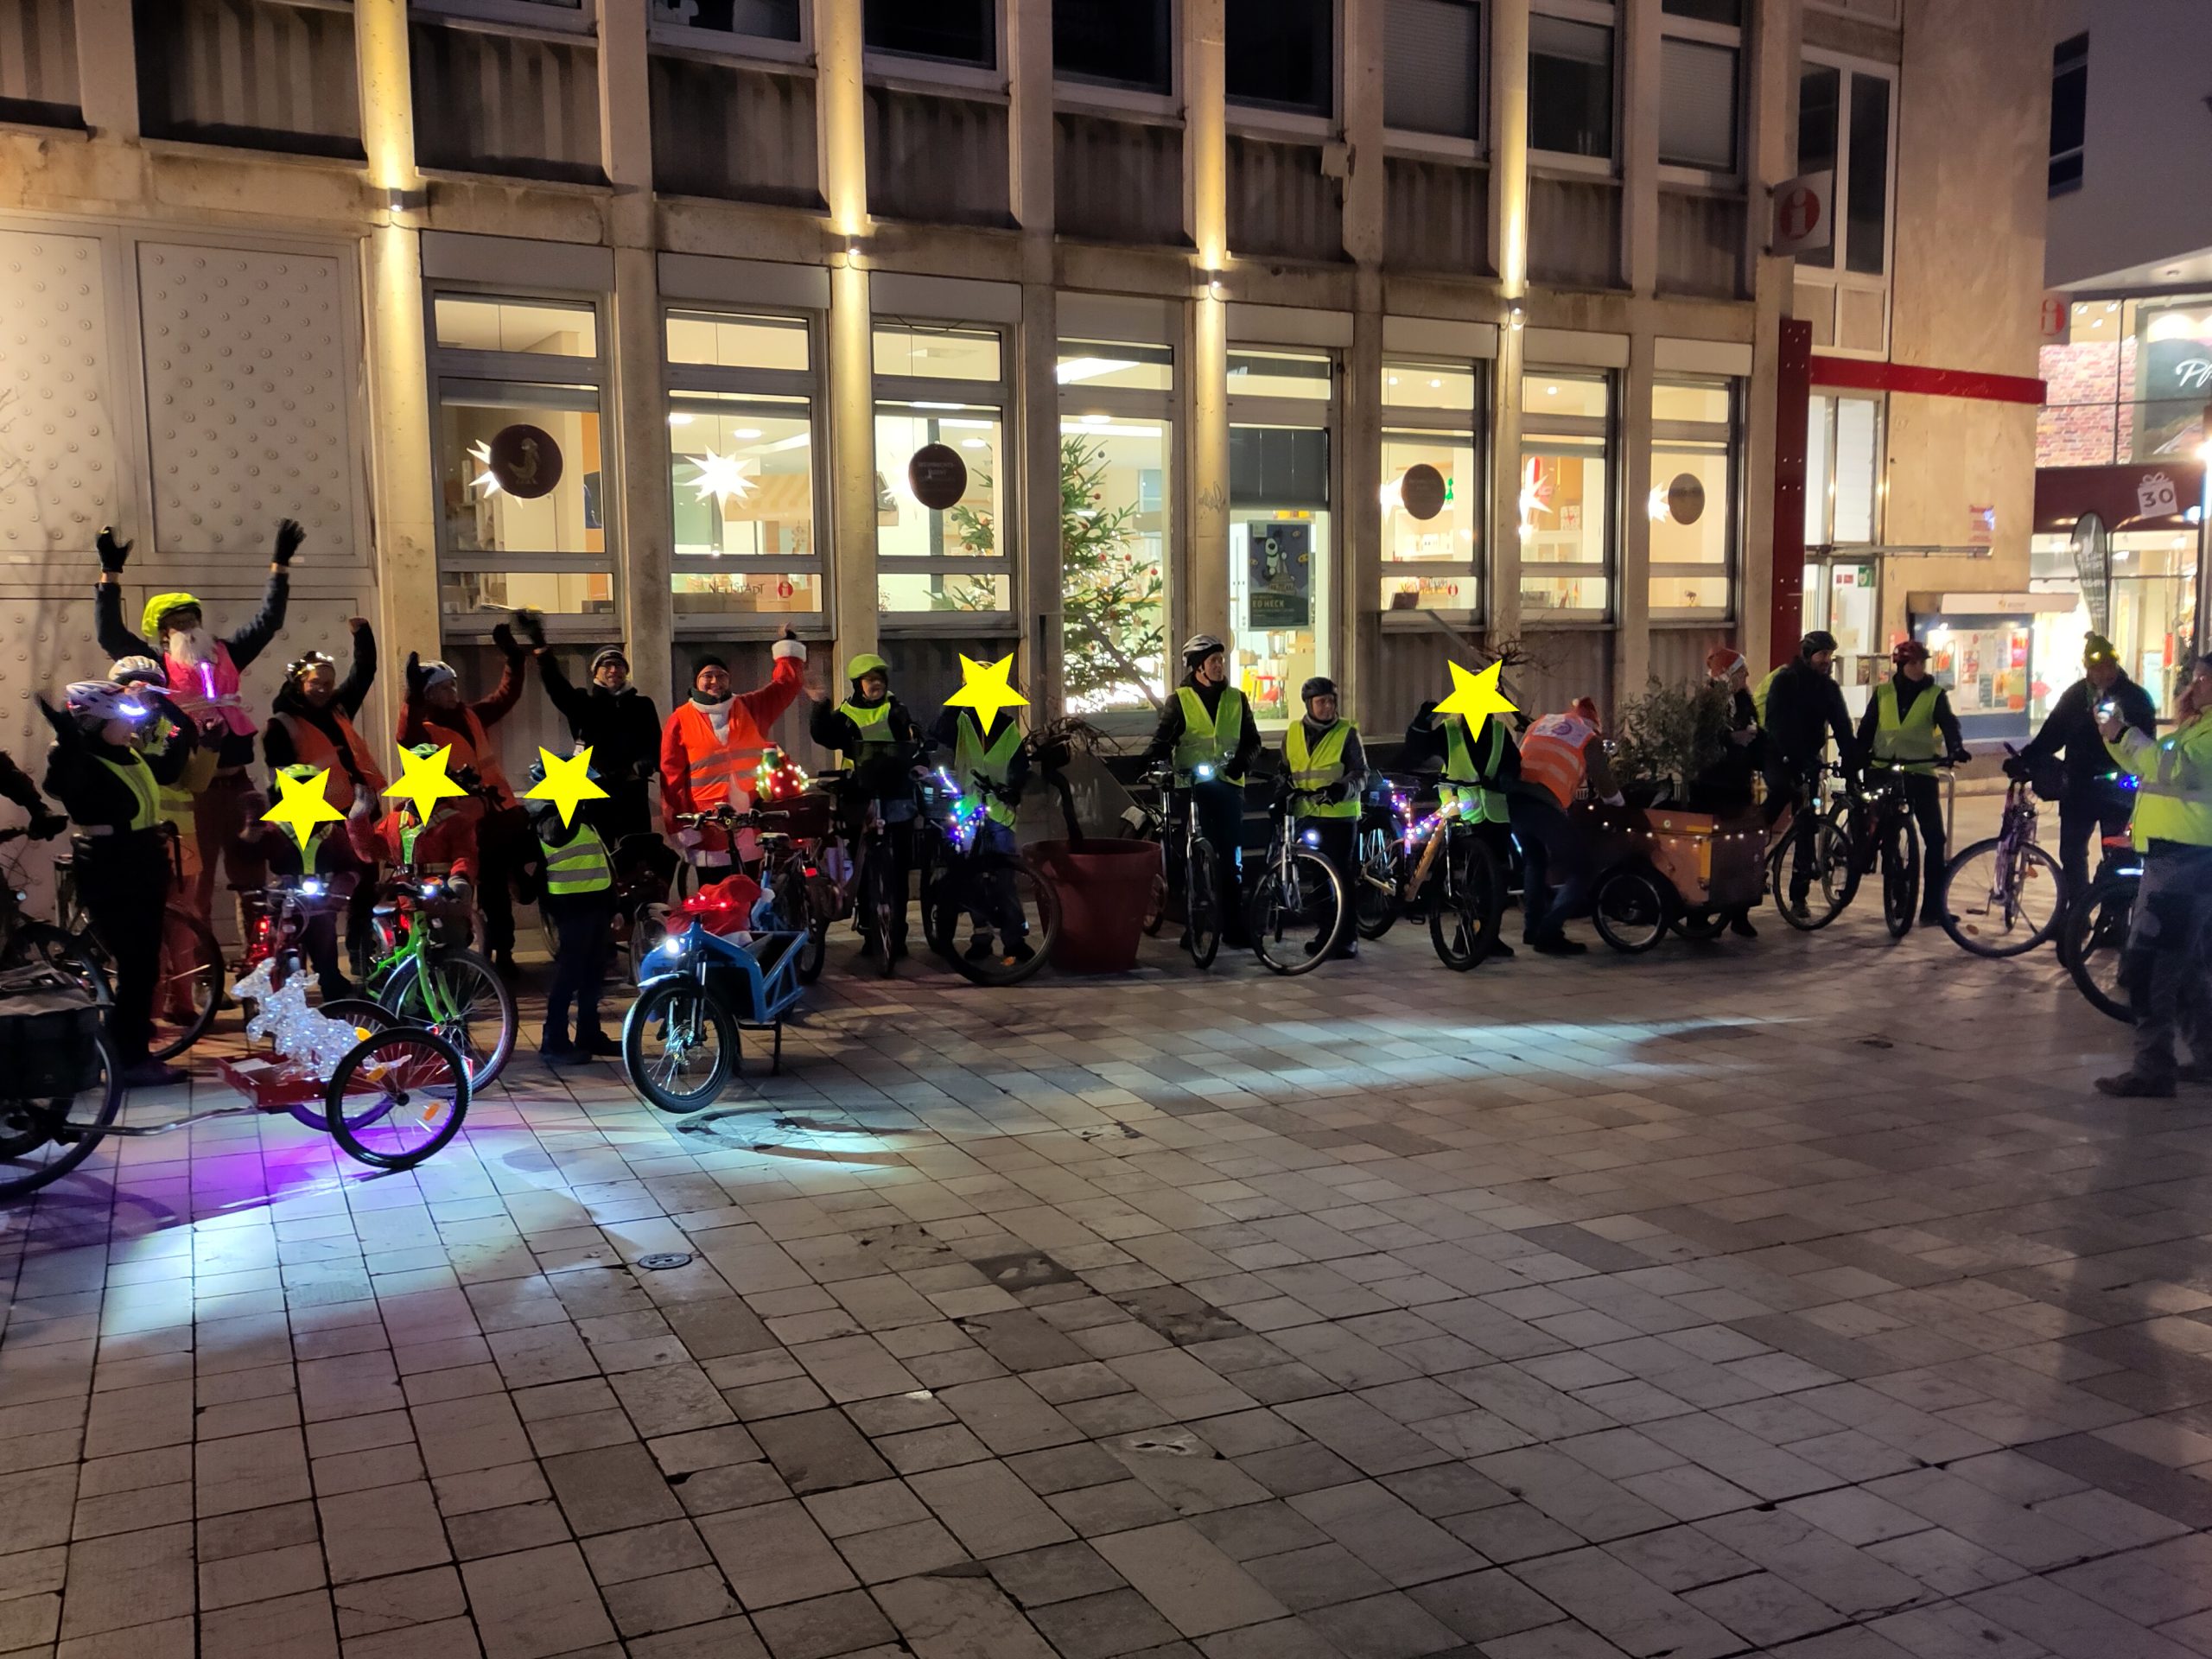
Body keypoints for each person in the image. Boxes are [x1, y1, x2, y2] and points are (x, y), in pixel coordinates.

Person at [95, 518, 302, 937]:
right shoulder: (156, 667)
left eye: (191, 618)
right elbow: (110, 634)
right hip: (195, 795)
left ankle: (258, 970)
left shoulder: (227, 653)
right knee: (197, 889)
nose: (187, 626)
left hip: (239, 787)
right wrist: (109, 576)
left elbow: (268, 622)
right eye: (176, 621)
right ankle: (203, 975)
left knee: (253, 886)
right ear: (162, 632)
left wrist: (280, 565)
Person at [40, 680, 198, 1087]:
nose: (130, 728)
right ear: (95, 723)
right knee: (136, 965)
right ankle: (127, 1059)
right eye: (120, 719)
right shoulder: (77, 757)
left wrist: (187, 729)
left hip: (144, 860)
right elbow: (61, 783)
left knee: (143, 964)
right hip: (112, 867)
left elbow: (167, 767)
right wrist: (69, 737)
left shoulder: (125, 753)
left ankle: (130, 1045)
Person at [2093, 654, 2212, 1098]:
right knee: (2189, 967)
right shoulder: (2197, 727)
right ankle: (2206, 1057)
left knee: (2149, 967)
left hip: (2185, 862)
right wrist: (2114, 735)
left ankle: (2152, 1069)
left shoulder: (2208, 733)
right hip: (2177, 859)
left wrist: (2125, 733)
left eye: (2203, 678)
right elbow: (2150, 767)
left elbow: (2174, 770)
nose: (2194, 684)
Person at [399, 629, 531, 976]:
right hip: (462, 823)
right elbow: (405, 735)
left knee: (499, 893)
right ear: (428, 694)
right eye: (443, 687)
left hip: (499, 815)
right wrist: (410, 697)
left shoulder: (469, 714)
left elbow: (504, 697)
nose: (451, 692)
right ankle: (461, 959)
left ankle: (503, 954)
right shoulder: (424, 729)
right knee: (464, 893)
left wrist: (514, 660)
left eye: (452, 685)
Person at [265, 620, 383, 973]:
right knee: (319, 902)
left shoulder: (339, 708)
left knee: (364, 891)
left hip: (356, 814)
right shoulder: (281, 725)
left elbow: (364, 672)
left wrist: (363, 636)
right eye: (316, 683)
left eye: (329, 684)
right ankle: (322, 971)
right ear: (299, 684)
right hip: (315, 824)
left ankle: (363, 961)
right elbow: (280, 782)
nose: (323, 689)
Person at [1141, 634, 1262, 947]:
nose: (1220, 665)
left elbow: (1252, 740)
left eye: (1221, 660)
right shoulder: (1179, 700)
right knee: (1193, 855)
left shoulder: (1237, 698)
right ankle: (1193, 925)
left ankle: (1234, 927)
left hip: (1229, 785)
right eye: (1213, 661)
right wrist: (1153, 762)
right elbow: (1163, 739)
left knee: (1231, 858)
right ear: (1198, 667)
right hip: (1192, 788)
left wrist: (1241, 763)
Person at [2016, 632, 2158, 898]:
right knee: (2071, 854)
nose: (2104, 673)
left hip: (2119, 790)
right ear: (2087, 668)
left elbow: (2147, 744)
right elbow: (2052, 733)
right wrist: (2025, 758)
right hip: (2079, 787)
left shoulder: (2135, 697)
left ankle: (2114, 920)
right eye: (2096, 667)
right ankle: (2076, 915)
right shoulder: (2076, 696)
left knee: (2118, 856)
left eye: (2108, 666)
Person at [665, 630, 811, 876]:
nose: (715, 682)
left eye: (721, 676)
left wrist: (788, 651)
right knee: (716, 896)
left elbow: (785, 686)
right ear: (696, 682)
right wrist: (681, 825)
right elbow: (672, 777)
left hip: (752, 817)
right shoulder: (680, 719)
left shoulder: (749, 707)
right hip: (710, 822)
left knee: (753, 891)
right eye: (707, 676)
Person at [810, 652, 925, 956]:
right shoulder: (846, 714)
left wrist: (919, 758)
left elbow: (913, 739)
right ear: (857, 684)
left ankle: (897, 937)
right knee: (861, 867)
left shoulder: (896, 709)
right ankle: (869, 931)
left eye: (879, 679)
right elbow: (823, 735)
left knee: (898, 869)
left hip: (896, 794)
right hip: (858, 795)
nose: (875, 684)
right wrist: (820, 705)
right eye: (869, 679)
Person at [1403, 680, 1522, 959]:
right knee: (1474, 881)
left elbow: (1513, 763)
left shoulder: (1498, 731)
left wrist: (1507, 777)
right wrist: (1422, 722)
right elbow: (1417, 750)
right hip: (1463, 814)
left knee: (1495, 880)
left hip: (1495, 814)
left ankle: (1486, 935)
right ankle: (1469, 935)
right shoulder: (1450, 732)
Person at [1857, 639, 1972, 925]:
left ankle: (1933, 907)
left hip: (1920, 770)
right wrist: (1857, 756)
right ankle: (1898, 892)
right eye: (1913, 663)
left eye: (1922, 663)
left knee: (1935, 838)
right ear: (1900, 666)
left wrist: (1955, 748)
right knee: (1887, 834)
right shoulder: (1883, 693)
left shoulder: (1935, 694)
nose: (1919, 668)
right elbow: (1868, 727)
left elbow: (1948, 723)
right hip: (1883, 768)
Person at [925, 689, 1033, 963]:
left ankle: (1014, 941)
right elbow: (937, 731)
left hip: (1000, 810)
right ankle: (981, 938)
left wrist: (1013, 786)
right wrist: (955, 702)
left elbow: (1020, 764)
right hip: (969, 810)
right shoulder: (960, 722)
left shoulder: (1007, 726)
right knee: (973, 879)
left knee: (1005, 878)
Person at [524, 757, 620, 1065]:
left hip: (594, 904)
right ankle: (554, 1040)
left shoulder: (579, 813)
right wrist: (570, 804)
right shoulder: (547, 817)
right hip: (571, 907)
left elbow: (599, 861)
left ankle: (589, 1033)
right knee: (570, 975)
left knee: (593, 973)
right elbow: (556, 835)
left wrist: (613, 906)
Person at [1760, 630, 1859, 919]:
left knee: (1807, 823)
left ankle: (1798, 895)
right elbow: (1775, 724)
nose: (1827, 661)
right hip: (1780, 755)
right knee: (1779, 792)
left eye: (1830, 655)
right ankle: (1753, 854)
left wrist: (1851, 761)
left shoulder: (1828, 688)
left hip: (1809, 761)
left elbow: (1841, 725)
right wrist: (1793, 756)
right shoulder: (1786, 681)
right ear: (1807, 654)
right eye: (1822, 655)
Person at [1511, 697, 1623, 956]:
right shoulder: (1588, 737)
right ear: (1595, 724)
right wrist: (1620, 806)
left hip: (1515, 800)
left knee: (1535, 862)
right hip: (1544, 805)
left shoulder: (1541, 722)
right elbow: (1605, 784)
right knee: (1583, 868)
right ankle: (1549, 933)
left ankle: (1532, 928)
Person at [254, 763, 373, 1000]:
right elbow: (248, 856)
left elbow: (351, 866)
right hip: (283, 903)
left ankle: (332, 983)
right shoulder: (273, 831)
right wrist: (249, 833)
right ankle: (273, 985)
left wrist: (340, 890)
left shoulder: (332, 832)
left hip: (321, 903)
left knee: (324, 941)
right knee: (274, 945)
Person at [1280, 677, 1366, 959]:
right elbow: (1285, 768)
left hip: (1339, 817)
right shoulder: (1293, 732)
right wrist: (1282, 788)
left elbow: (1360, 773)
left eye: (1331, 701)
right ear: (1309, 705)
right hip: (1306, 815)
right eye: (1321, 702)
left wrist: (1342, 788)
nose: (1327, 707)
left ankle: (1347, 937)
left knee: (1341, 877)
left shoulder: (1347, 733)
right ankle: (1326, 933)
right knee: (1318, 878)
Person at [1686, 648, 1764, 938]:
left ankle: (1739, 914)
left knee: (1741, 850)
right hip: (1711, 785)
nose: (1746, 676)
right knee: (1709, 855)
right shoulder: (1707, 700)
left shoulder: (1744, 699)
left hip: (1738, 783)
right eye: (1741, 671)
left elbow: (1755, 729)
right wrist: (1732, 739)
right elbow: (1699, 740)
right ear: (1728, 673)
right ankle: (1699, 916)